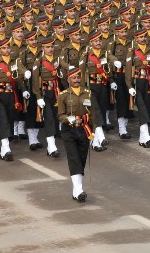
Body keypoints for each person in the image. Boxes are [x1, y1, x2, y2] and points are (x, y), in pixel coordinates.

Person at [57, 64, 101, 203]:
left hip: (84, 129)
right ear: (68, 80)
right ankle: (78, 189)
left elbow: (93, 113)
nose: (76, 80)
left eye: (78, 77)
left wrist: (95, 133)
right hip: (69, 130)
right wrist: (67, 119)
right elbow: (60, 115)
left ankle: (77, 188)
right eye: (73, 78)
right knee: (74, 158)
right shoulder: (63, 95)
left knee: (81, 158)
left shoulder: (87, 93)